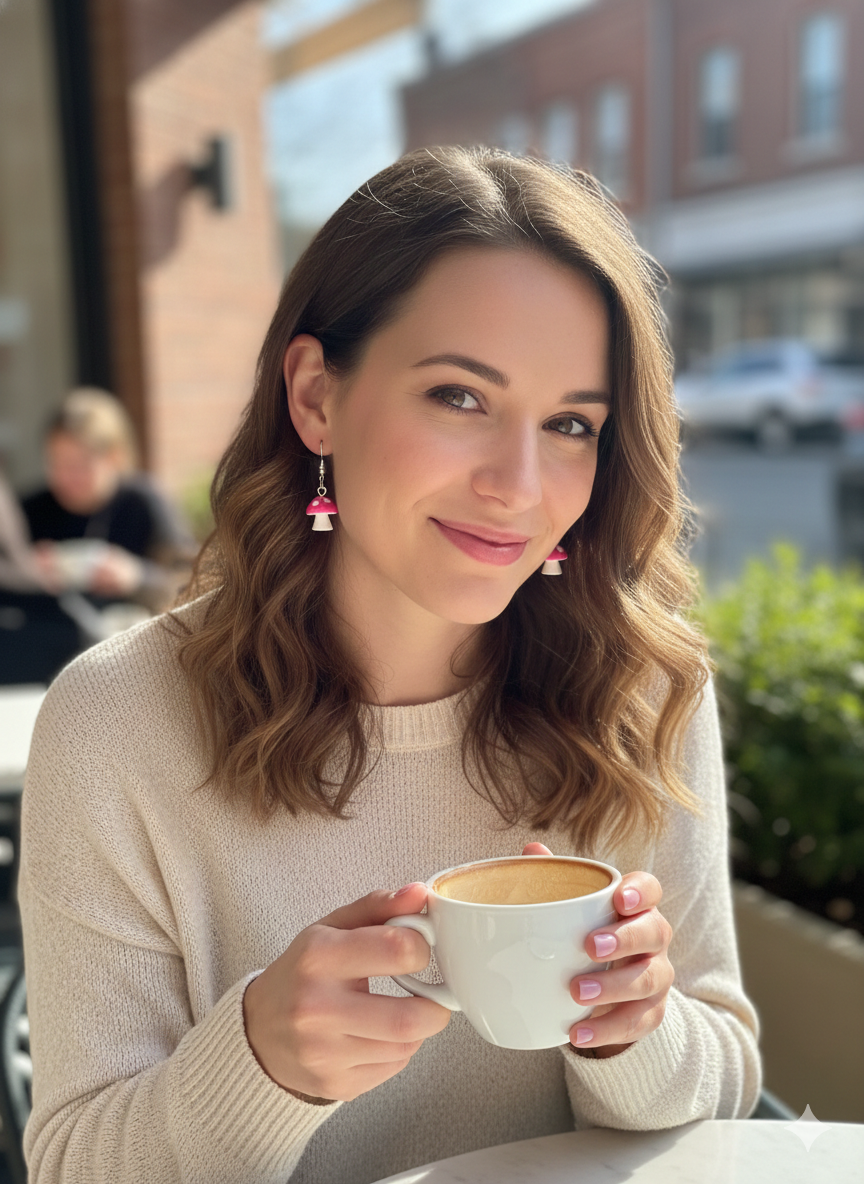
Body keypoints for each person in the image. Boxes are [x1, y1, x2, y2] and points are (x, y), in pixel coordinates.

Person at [19, 147, 761, 1184]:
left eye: (572, 423)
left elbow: (728, 1073)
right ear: (316, 395)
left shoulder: (639, 687)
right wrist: (261, 1064)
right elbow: (70, 1162)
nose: (519, 482)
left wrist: (633, 1032)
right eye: (459, 396)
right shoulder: (116, 722)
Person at [0, 389, 197, 684]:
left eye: (78, 466)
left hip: (134, 660)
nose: (66, 477)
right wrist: (28, 572)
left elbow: (193, 583)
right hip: (53, 662)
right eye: (56, 464)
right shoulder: (32, 508)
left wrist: (136, 576)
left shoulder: (143, 502)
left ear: (115, 457)